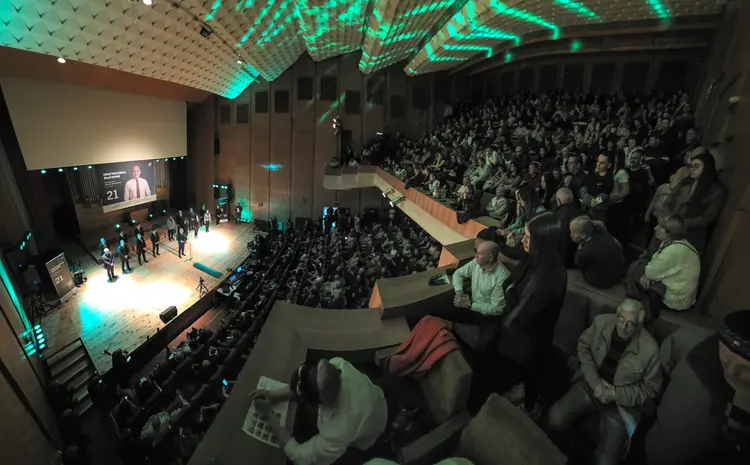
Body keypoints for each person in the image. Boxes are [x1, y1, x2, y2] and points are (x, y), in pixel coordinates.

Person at [547, 299, 662, 465]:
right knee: (554, 420)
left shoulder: (650, 350)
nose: (623, 326)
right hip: (591, 386)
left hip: (620, 405)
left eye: (630, 323)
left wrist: (615, 394)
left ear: (638, 326)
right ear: (617, 315)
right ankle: (576, 449)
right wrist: (596, 384)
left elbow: (651, 389)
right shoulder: (601, 323)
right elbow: (583, 348)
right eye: (621, 319)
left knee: (606, 462)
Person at [643, 309, 750, 465]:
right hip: (654, 449)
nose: (731, 371)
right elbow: (658, 372)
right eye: (725, 358)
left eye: (744, 369)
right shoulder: (689, 341)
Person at [250, 357, 388, 465]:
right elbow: (306, 384)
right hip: (376, 398)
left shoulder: (338, 432)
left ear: (316, 404)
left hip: (373, 430)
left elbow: (300, 456)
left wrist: (269, 417)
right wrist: (274, 395)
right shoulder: (337, 365)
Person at [498, 211, 567, 417]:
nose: (523, 241)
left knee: (532, 373)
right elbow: (509, 285)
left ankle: (529, 408)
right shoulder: (538, 258)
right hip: (523, 332)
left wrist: (510, 292)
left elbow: (519, 315)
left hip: (532, 339)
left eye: (528, 237)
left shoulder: (549, 282)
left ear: (543, 242)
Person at [625, 215, 700, 319]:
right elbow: (655, 261)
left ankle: (644, 307)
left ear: (671, 233)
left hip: (675, 299)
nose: (655, 228)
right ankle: (635, 298)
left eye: (661, 227)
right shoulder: (677, 243)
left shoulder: (673, 250)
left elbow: (651, 271)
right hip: (679, 293)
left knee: (638, 268)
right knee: (641, 265)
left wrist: (648, 275)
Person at [667, 151, 725, 255]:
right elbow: (670, 201)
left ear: (707, 167)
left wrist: (682, 223)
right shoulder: (686, 183)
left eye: (696, 166)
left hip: (691, 235)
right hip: (672, 229)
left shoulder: (715, 191)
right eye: (691, 166)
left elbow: (705, 218)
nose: (692, 169)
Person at [450, 240, 510, 320]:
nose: (475, 256)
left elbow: (497, 310)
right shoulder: (476, 262)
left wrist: (470, 305)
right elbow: (458, 274)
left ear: (490, 258)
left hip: (487, 316)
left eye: (479, 254)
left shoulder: (502, 277)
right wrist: (459, 293)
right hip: (470, 304)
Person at [570, 216, 626, 289]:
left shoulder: (584, 251)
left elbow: (578, 263)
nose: (571, 234)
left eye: (573, 232)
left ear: (583, 235)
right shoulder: (604, 234)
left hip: (601, 281)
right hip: (620, 272)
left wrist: (579, 246)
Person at [554, 187, 583, 268]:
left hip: (562, 260)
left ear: (559, 200)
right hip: (579, 260)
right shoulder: (582, 213)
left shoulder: (555, 216)